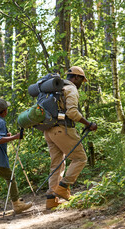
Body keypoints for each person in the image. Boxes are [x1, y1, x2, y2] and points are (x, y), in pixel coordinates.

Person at [44, 66, 97, 209]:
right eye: (81, 80)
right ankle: (62, 187)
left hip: (48, 130)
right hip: (62, 129)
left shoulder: (56, 88)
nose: (81, 84)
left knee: (56, 164)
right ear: (76, 78)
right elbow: (72, 112)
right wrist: (88, 123)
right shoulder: (71, 89)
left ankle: (51, 199)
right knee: (80, 158)